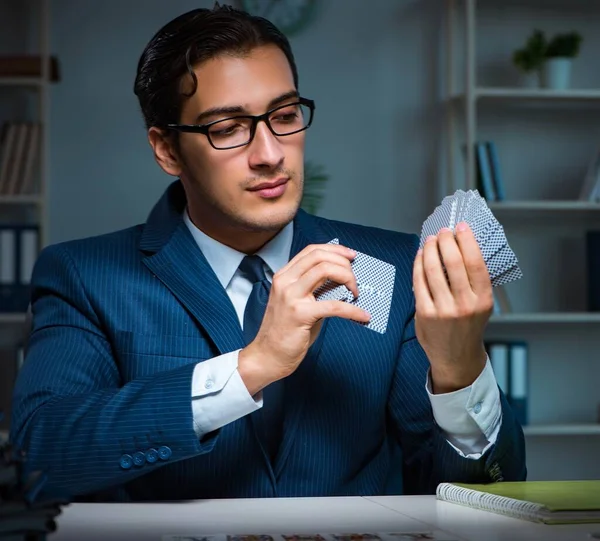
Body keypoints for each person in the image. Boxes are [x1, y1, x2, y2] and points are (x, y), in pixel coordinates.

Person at [10, 3, 526, 502]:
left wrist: (459, 373)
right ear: (167, 149)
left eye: (283, 115)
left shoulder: (392, 269)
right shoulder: (84, 275)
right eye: (227, 128)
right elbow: (41, 458)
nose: (270, 153)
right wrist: (250, 367)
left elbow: (478, 495)